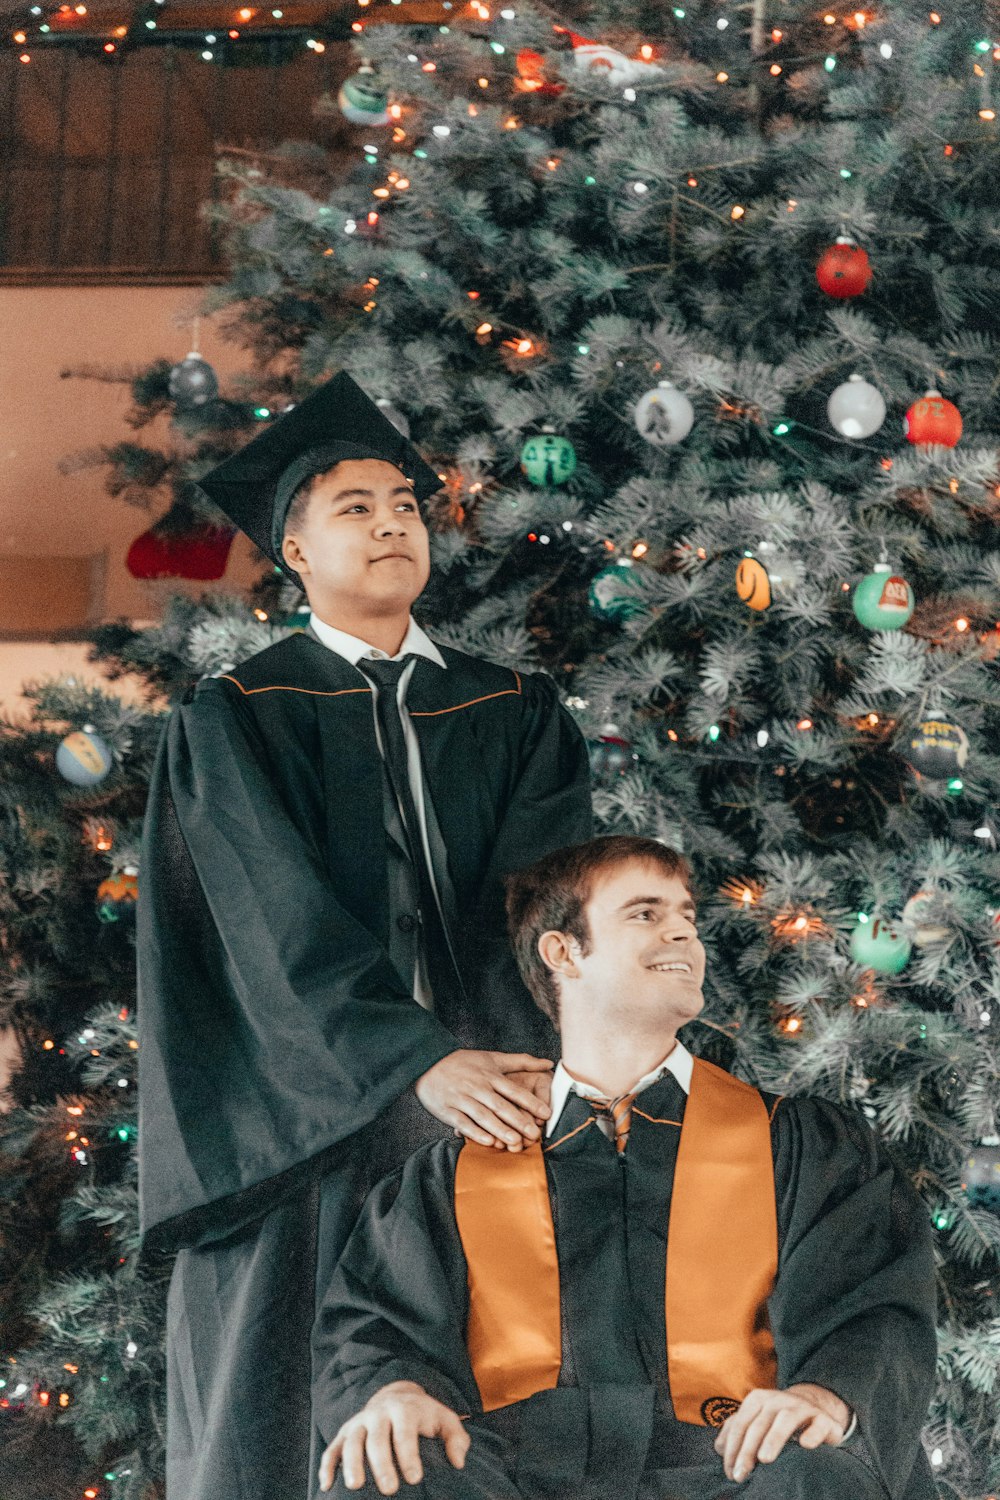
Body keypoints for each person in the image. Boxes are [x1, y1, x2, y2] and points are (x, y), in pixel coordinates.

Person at [136, 372, 593, 1500]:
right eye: (354, 507)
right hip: (304, 1133)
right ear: (292, 550)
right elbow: (264, 926)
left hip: (486, 1118)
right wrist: (415, 1065)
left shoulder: (513, 709)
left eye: (405, 504)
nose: (392, 523)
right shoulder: (238, 716)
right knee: (281, 1414)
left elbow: (546, 909)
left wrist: (507, 1070)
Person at [314, 834, 938, 1500]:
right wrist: (396, 1392)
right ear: (563, 951)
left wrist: (820, 1395)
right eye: (646, 913)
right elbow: (374, 1325)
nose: (683, 936)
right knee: (386, 1470)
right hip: (510, 1476)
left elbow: (871, 1307)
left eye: (687, 917)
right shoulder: (453, 1176)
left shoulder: (798, 1146)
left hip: (738, 1473)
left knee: (817, 1472)